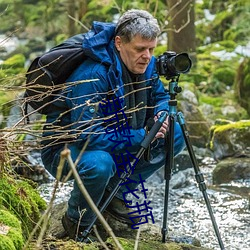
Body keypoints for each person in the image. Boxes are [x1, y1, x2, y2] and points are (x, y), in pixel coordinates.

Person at [41, 9, 185, 241]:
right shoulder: (93, 75)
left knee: (175, 132)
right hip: (67, 150)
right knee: (100, 165)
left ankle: (115, 192)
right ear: (119, 43)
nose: (147, 56)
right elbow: (86, 135)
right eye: (140, 49)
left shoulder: (145, 64)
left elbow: (159, 96)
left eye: (151, 49)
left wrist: (161, 114)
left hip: (118, 137)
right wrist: (141, 135)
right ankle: (76, 222)